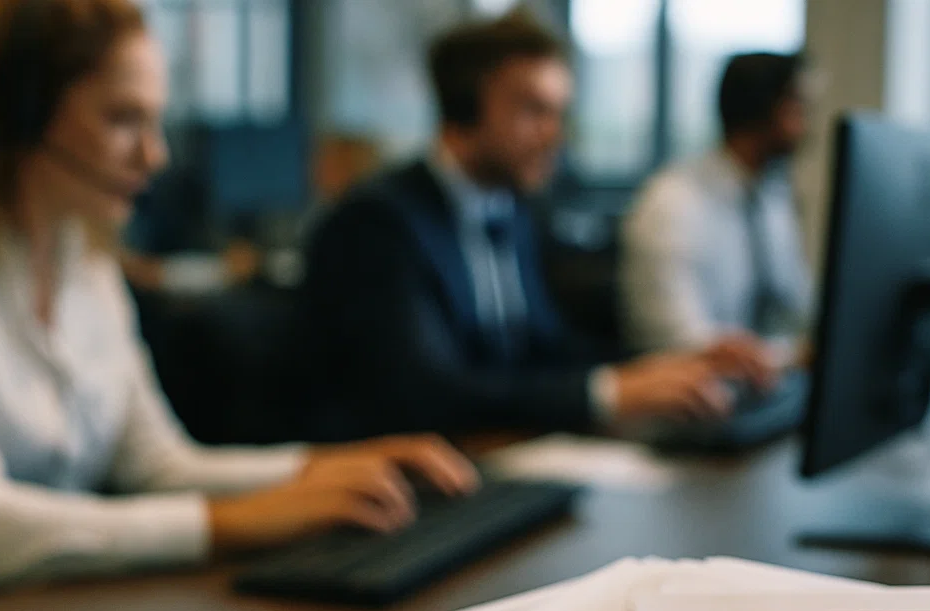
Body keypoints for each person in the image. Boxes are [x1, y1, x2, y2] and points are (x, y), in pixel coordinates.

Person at [0, 0, 475, 611]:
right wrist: (231, 523)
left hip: (29, 595)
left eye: (154, 121)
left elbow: (159, 466)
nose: (154, 156)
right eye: (124, 119)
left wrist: (325, 469)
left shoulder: (85, 264)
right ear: (16, 114)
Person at [298, 10, 773, 439]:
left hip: (488, 456)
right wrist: (605, 393)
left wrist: (667, 366)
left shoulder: (509, 209)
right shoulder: (379, 223)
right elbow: (425, 394)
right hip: (388, 490)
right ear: (462, 113)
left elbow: (544, 350)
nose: (554, 135)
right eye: (532, 110)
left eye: (558, 113)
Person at [620, 52, 813, 363]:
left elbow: (800, 305)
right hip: (692, 399)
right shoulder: (672, 204)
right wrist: (790, 357)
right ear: (766, 110)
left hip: (768, 389)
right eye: (798, 107)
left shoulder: (771, 200)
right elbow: (680, 346)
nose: (807, 124)